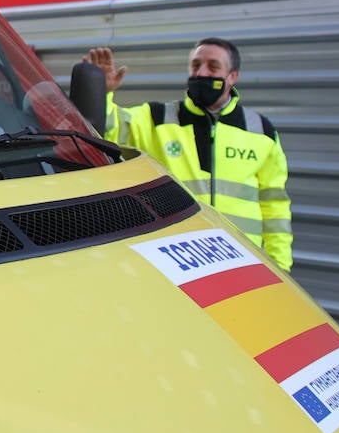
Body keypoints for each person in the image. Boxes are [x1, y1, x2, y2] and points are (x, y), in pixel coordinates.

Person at [86, 39, 292, 270]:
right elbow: (105, 130)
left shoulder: (260, 130)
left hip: (244, 263)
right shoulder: (158, 118)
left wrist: (280, 265)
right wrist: (100, 93)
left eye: (213, 67)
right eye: (195, 65)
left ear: (232, 76)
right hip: (182, 264)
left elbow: (275, 205)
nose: (201, 72)